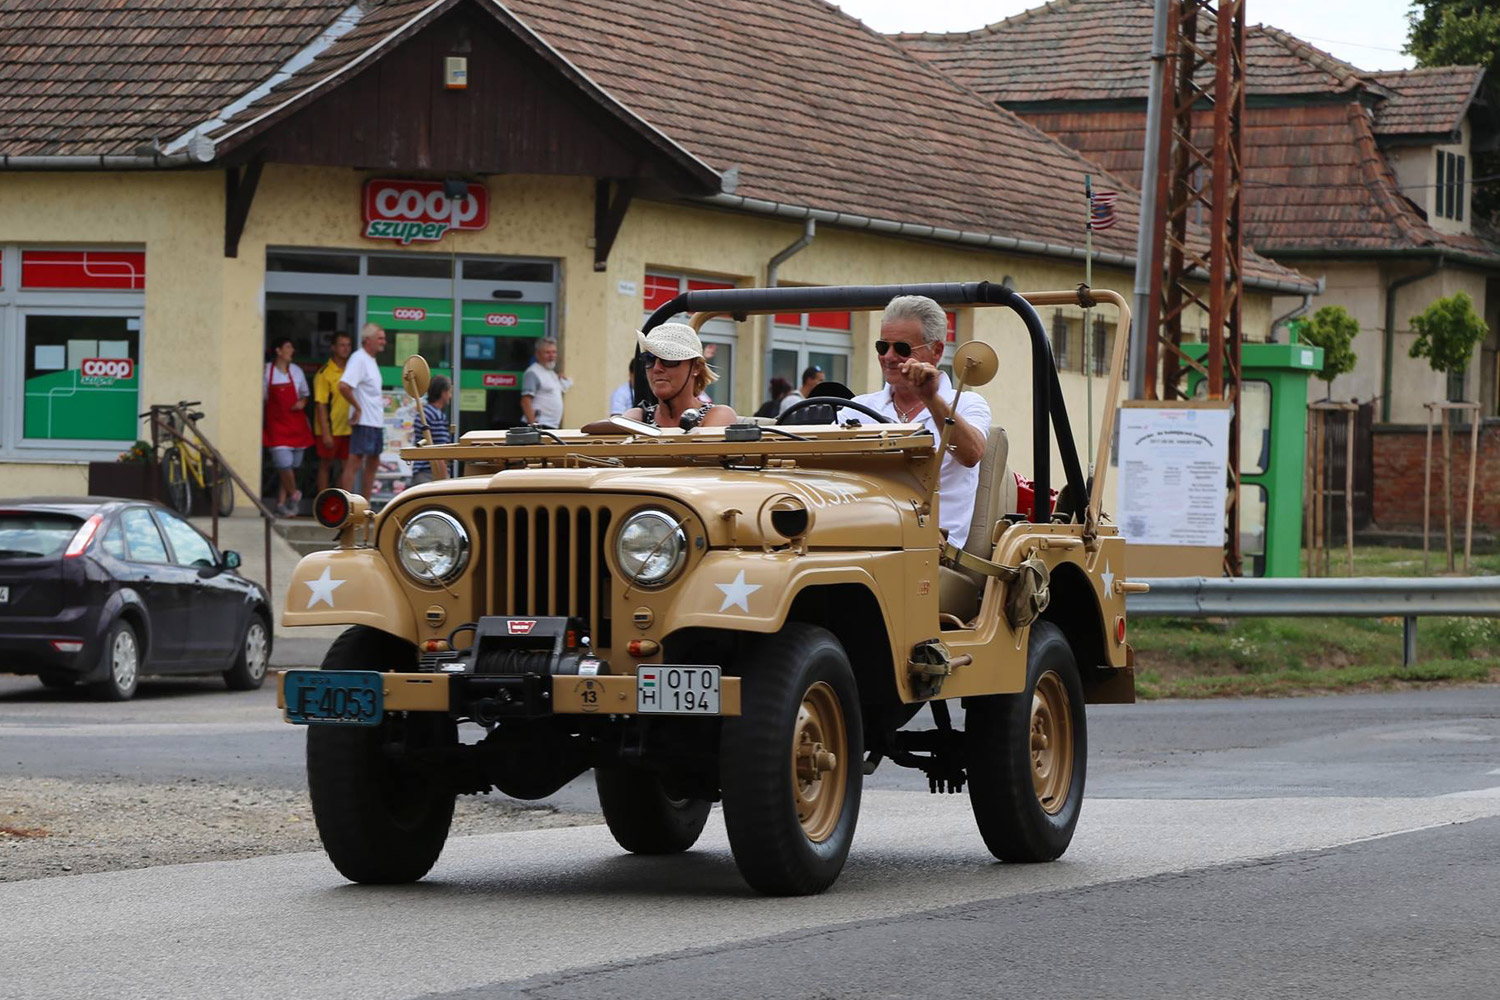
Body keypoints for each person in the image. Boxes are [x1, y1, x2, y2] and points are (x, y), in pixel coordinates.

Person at [851, 295, 989, 548]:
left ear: (936, 351)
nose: (889, 357)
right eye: (883, 347)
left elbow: (971, 454)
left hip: (935, 551)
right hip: (863, 539)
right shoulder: (856, 409)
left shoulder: (968, 404)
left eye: (902, 349)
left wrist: (931, 399)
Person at [623, 323, 738, 429]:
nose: (657, 368)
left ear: (696, 367)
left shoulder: (717, 415)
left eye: (668, 359)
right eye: (649, 359)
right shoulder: (638, 418)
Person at [262, 337, 314, 518]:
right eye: (288, 347)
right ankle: (294, 494)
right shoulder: (266, 372)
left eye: (292, 347)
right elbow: (261, 398)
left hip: (296, 426)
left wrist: (302, 403)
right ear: (278, 351)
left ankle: (282, 504)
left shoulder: (297, 372)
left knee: (291, 467)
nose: (291, 350)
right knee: (283, 463)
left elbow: (305, 395)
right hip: (276, 426)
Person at [338, 323, 387, 496]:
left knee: (373, 462)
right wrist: (357, 408)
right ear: (368, 340)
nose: (384, 342)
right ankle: (346, 507)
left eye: (384, 338)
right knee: (355, 462)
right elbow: (343, 386)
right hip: (364, 420)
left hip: (375, 421)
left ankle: (365, 506)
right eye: (380, 338)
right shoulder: (359, 358)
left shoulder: (370, 359)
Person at [313, 330, 353, 495]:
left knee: (347, 466)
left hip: (349, 428)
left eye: (348, 345)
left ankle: (339, 501)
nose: (346, 349)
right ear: (333, 348)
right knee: (326, 464)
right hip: (330, 428)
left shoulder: (352, 370)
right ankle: (322, 501)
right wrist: (326, 433)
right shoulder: (324, 374)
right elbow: (320, 405)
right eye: (342, 345)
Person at [409, 375, 452, 486]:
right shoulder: (437, 416)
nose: (450, 396)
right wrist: (444, 480)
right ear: (443, 393)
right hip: (431, 474)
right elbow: (440, 451)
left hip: (419, 472)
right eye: (449, 392)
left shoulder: (423, 413)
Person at [520, 337, 572, 428]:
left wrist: (562, 379)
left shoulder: (551, 372)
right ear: (538, 354)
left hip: (551, 426)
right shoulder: (532, 372)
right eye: (547, 352)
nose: (551, 356)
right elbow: (525, 401)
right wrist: (534, 426)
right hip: (540, 425)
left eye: (554, 352)